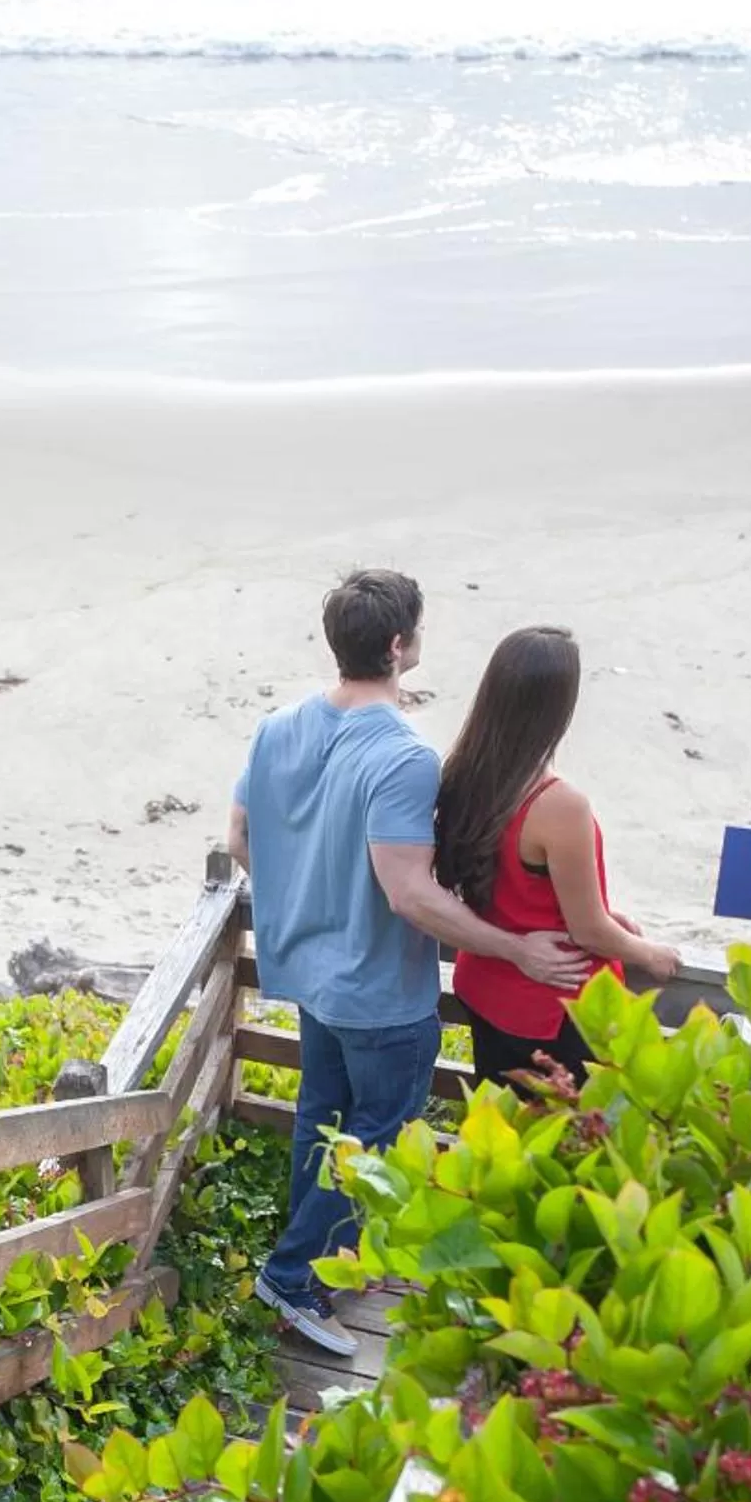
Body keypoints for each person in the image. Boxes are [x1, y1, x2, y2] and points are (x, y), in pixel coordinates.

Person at [228, 570, 589, 1362]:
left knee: (322, 1126)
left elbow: (242, 841)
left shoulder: (277, 727)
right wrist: (515, 946)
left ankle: (324, 1262)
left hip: (309, 973)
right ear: (399, 647)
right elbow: (410, 896)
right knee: (377, 1140)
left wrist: (303, 901)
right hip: (379, 990)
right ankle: (292, 1279)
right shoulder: (403, 757)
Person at [434, 624, 682, 1090]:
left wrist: (604, 913)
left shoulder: (465, 774)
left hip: (486, 989)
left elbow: (513, 885)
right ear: (557, 709)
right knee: (563, 1148)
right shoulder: (558, 804)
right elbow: (589, 931)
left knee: (504, 1139)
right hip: (553, 1009)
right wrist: (648, 953)